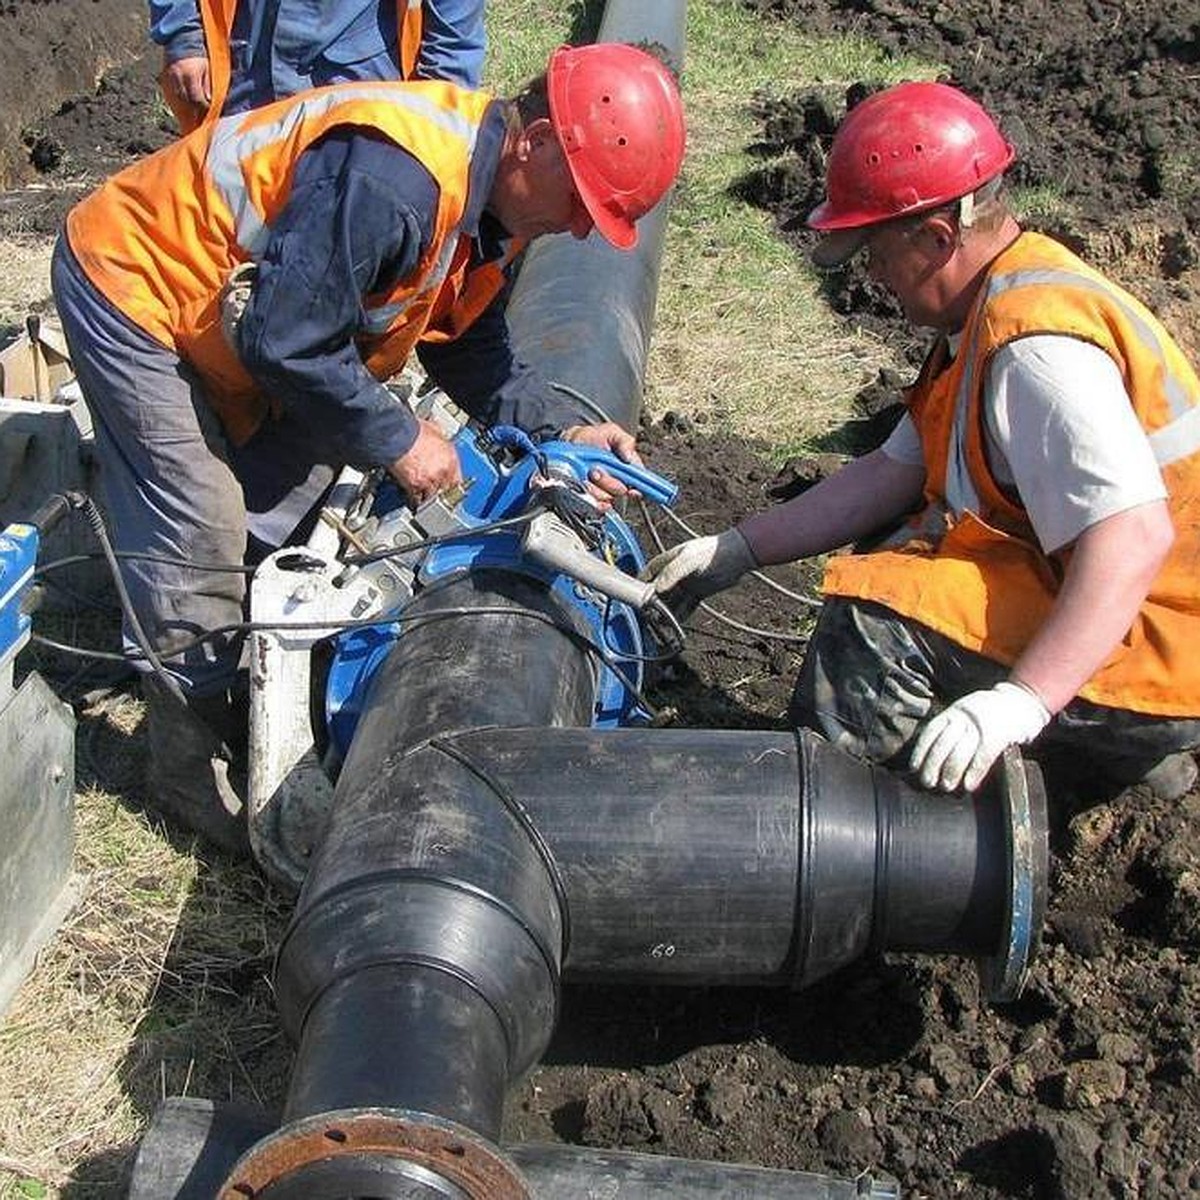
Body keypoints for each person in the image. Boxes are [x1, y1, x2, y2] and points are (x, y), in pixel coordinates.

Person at [51, 41, 686, 852]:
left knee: (303, 477)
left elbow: (467, 345)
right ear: (536, 142)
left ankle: (218, 640)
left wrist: (558, 430)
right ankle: (186, 760)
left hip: (235, 319)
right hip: (137, 282)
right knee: (201, 522)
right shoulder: (394, 179)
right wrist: (396, 437)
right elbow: (287, 342)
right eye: (581, 202)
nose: (578, 229)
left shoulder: (493, 205)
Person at [644, 80, 1200, 801]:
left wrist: (1021, 700)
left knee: (879, 613)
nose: (871, 277)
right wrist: (735, 552)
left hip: (1161, 643)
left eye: (874, 252)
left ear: (938, 238)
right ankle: (1101, 766)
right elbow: (890, 472)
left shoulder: (1036, 352)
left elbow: (1131, 538)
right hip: (1131, 617)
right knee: (898, 547)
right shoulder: (996, 304)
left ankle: (824, 832)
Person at [151, 0, 487, 133]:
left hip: (361, 99)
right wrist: (184, 34)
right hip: (247, 73)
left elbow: (452, 48)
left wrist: (432, 129)